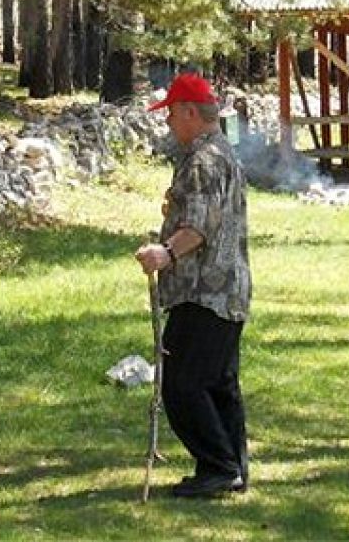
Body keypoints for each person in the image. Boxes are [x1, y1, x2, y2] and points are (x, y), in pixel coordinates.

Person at [135, 72, 251, 499]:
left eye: (170, 115)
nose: (168, 124)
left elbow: (199, 226)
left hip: (205, 292)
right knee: (218, 382)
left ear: (189, 111)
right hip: (229, 290)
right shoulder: (222, 153)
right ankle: (232, 468)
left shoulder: (203, 160)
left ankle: (218, 465)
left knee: (181, 383)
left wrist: (164, 253)